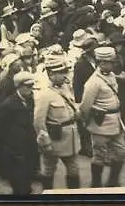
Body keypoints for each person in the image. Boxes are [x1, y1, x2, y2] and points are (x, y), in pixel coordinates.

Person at [79, 46, 125, 188]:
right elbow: (85, 106)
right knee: (99, 156)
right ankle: (96, 184)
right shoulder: (93, 82)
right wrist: (88, 123)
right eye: (111, 62)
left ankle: (113, 181)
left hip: (115, 121)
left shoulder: (111, 75)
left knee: (121, 151)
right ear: (102, 63)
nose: (114, 64)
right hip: (101, 123)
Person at [34, 56, 81, 190]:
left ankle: (74, 198)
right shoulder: (45, 94)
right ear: (50, 74)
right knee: (49, 169)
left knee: (74, 169)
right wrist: (45, 142)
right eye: (60, 72)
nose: (63, 75)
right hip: (54, 139)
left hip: (70, 137)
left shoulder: (66, 88)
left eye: (64, 72)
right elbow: (38, 122)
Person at [0, 71, 39, 195]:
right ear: (18, 86)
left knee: (27, 182)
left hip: (29, 147)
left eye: (32, 86)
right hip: (15, 151)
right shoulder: (8, 105)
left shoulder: (31, 100)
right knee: (19, 186)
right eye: (28, 86)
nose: (31, 89)